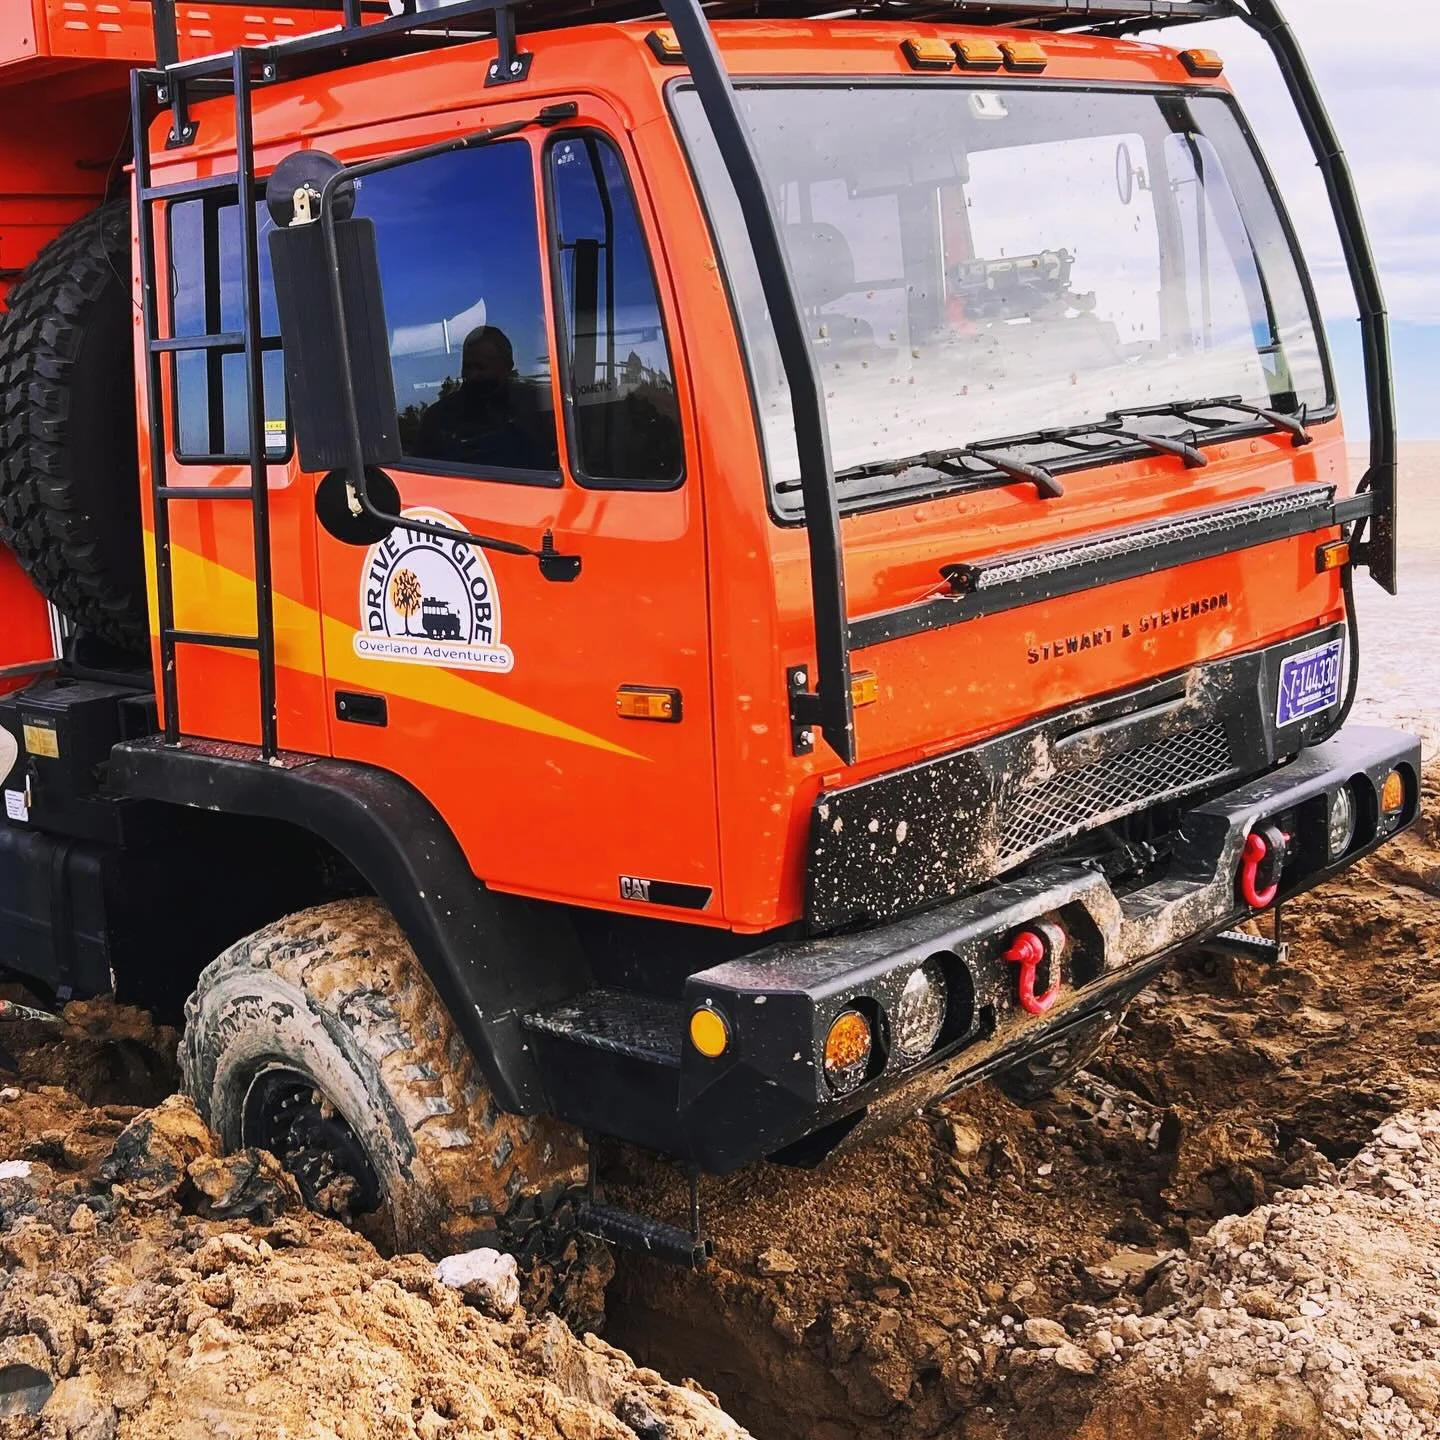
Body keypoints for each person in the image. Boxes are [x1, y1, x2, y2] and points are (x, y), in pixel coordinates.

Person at [411, 326, 558, 471]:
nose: (472, 375)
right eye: (467, 367)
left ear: (507, 367)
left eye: (481, 367)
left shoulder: (537, 404)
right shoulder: (439, 417)